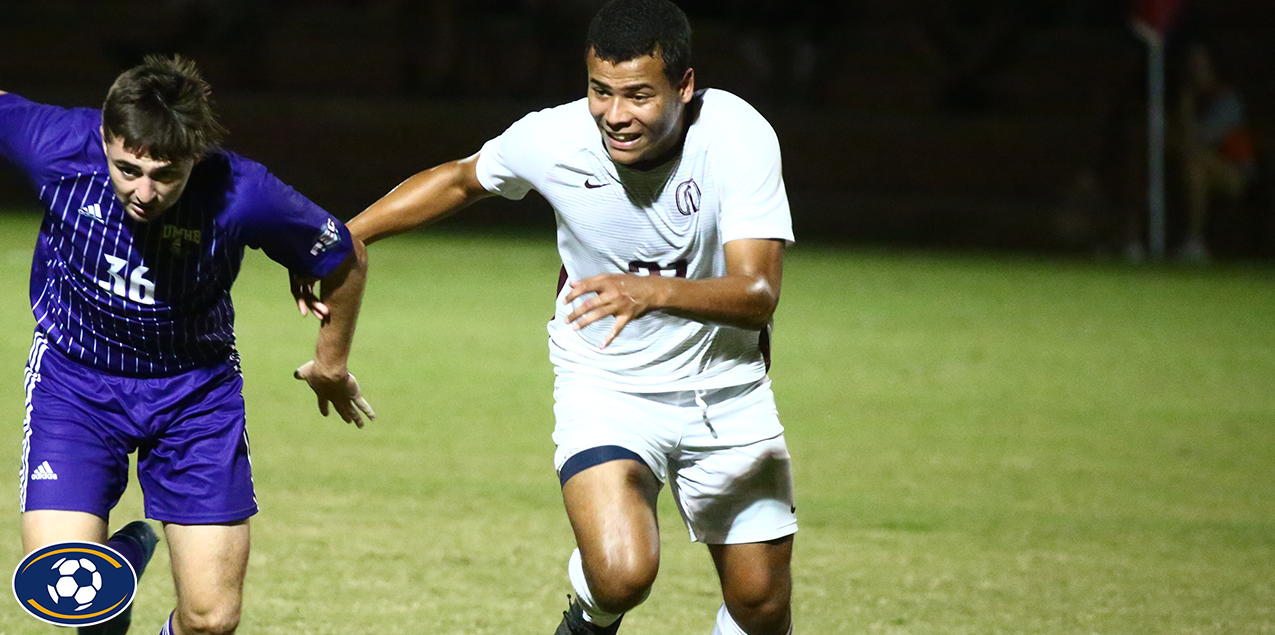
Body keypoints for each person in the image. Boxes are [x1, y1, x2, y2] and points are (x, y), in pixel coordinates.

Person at [323, 1, 798, 633]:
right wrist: (340, 237)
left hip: (727, 390)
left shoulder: (737, 135)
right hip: (606, 384)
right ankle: (587, 614)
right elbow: (462, 180)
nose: (616, 115)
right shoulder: (555, 138)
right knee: (622, 574)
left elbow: (758, 291)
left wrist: (649, 292)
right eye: (601, 91)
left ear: (684, 87)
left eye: (638, 95)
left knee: (761, 605)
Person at [0, 55, 373, 635]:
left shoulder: (243, 192)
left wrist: (331, 363)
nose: (143, 191)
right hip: (74, 384)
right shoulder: (54, 144)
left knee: (211, 620)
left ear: (196, 155)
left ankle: (120, 575)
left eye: (165, 175)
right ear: (104, 137)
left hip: (194, 396)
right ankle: (114, 577)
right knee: (67, 590)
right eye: (127, 169)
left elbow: (344, 254)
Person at [1176, 42, 1258, 262]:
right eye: (1192, 63)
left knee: (1195, 159)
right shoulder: (1192, 97)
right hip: (1204, 168)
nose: (1196, 68)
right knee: (1195, 171)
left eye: (1201, 63)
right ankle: (1194, 242)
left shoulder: (1227, 99)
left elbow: (1198, 140)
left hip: (1237, 175)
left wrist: (1186, 112)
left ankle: (1194, 240)